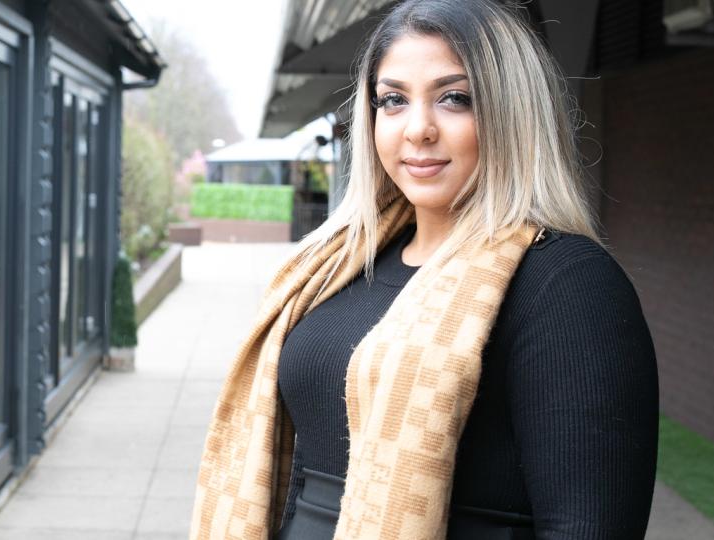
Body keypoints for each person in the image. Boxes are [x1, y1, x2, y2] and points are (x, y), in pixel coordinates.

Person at [190, 1, 658, 538]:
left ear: (515, 113)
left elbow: (588, 526)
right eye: (392, 100)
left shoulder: (566, 284)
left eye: (454, 99)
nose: (418, 129)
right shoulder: (333, 268)